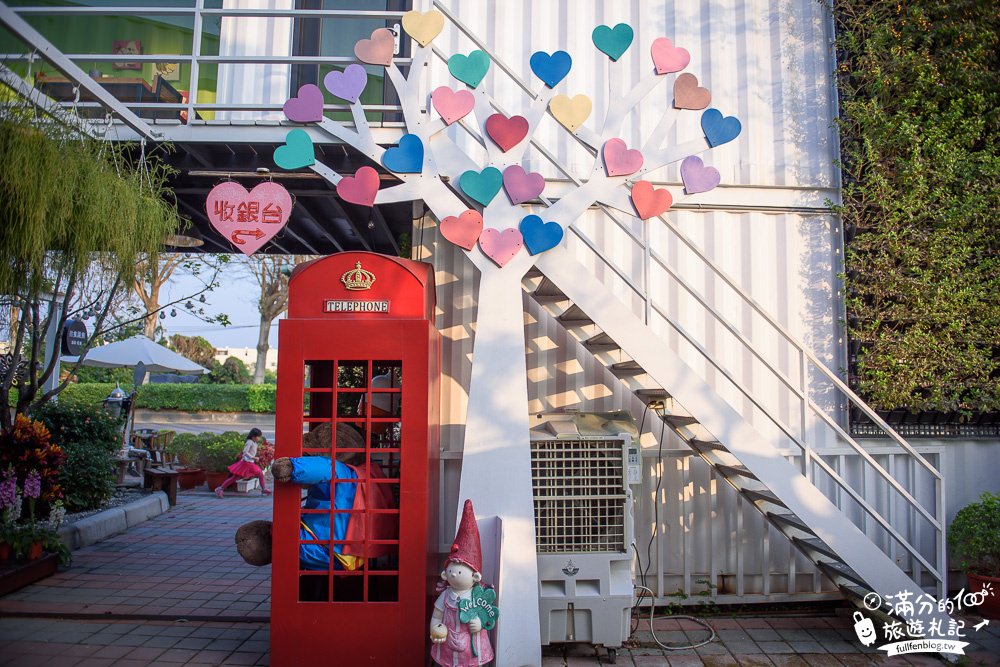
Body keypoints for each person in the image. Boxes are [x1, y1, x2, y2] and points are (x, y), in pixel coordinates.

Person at [430, 500, 495, 667]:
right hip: (448, 646)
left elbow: (487, 615)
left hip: (473, 650)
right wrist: (435, 627)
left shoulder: (477, 595)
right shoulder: (445, 595)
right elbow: (437, 615)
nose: (453, 573)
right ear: (445, 573)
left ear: (475, 576)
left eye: (460, 571)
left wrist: (480, 624)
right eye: (451, 570)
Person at [216, 428, 272, 498]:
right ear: (253, 436)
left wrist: (254, 457)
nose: (259, 438)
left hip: (248, 463)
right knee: (259, 473)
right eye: (258, 436)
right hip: (247, 463)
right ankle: (263, 489)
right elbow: (245, 452)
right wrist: (253, 458)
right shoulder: (249, 442)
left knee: (235, 477)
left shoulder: (254, 442)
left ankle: (220, 489)